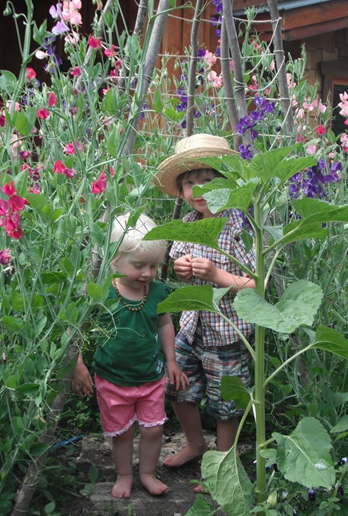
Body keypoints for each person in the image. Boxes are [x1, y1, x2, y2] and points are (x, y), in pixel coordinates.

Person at [154, 134, 256, 488]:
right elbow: (176, 260)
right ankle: (196, 443)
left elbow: (255, 283)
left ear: (226, 183)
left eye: (207, 181)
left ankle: (222, 463)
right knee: (179, 387)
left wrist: (217, 276)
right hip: (191, 327)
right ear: (181, 191)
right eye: (189, 183)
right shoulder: (186, 225)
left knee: (226, 400)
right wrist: (182, 265)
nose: (197, 190)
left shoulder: (239, 226)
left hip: (227, 332)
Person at [72, 213, 189, 499]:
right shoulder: (102, 294)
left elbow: (164, 324)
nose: (148, 273)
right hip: (113, 378)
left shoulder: (157, 292)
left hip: (150, 377)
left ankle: (147, 473)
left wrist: (171, 361)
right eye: (139, 266)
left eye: (153, 265)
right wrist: (77, 363)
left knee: (153, 430)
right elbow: (76, 327)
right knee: (122, 434)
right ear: (114, 260)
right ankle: (124, 474)